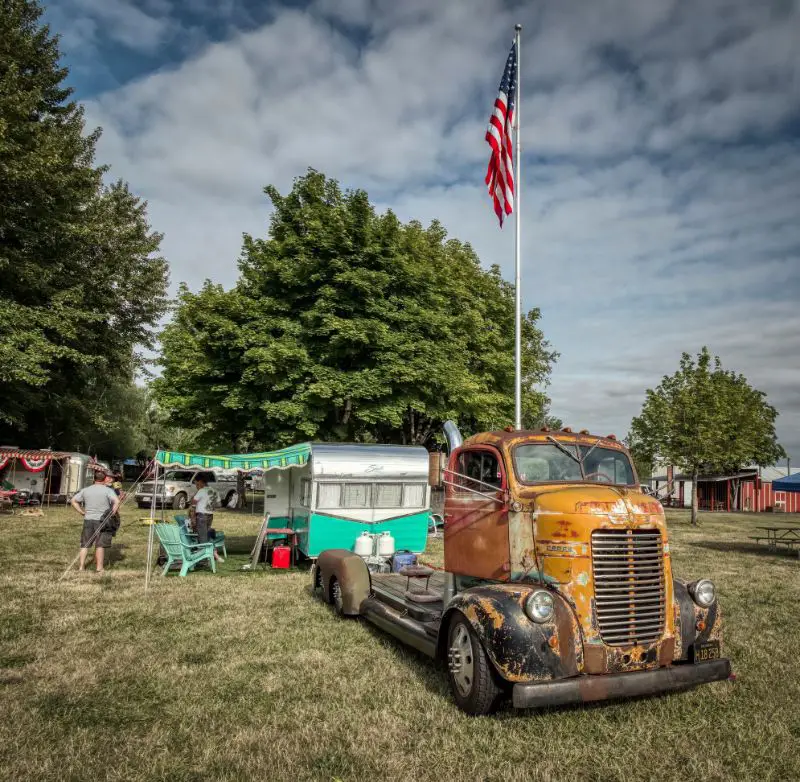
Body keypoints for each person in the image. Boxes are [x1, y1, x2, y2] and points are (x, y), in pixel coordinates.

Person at [71, 470, 122, 573]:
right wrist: (112, 513)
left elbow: (73, 501)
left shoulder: (86, 490)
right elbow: (117, 501)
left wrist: (81, 511)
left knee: (85, 544)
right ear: (104, 479)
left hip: (88, 519)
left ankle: (81, 567)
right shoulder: (108, 490)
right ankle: (99, 568)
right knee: (100, 544)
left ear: (94, 479)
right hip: (102, 521)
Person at [190, 475, 222, 562]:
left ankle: (203, 558)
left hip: (201, 515)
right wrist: (210, 505)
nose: (196, 486)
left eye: (196, 483)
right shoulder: (214, 491)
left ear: (200, 482)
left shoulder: (201, 491)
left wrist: (193, 516)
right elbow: (219, 504)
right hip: (210, 515)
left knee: (202, 537)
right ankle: (211, 554)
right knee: (207, 535)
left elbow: (193, 503)